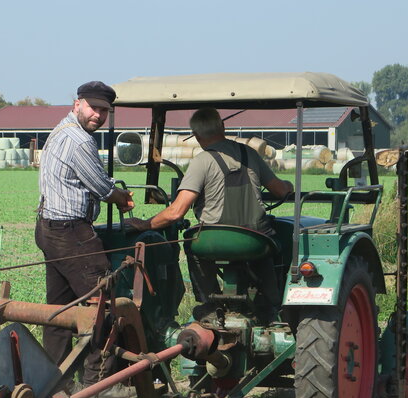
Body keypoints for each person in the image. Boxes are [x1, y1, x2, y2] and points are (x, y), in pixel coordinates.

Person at [124, 107, 293, 321]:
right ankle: (269, 302)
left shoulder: (202, 161)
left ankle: (210, 302)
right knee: (269, 244)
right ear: (222, 127)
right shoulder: (249, 153)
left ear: (196, 136)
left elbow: (176, 212)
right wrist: (289, 185)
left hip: (214, 240)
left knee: (192, 242)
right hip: (255, 239)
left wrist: (145, 224)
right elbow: (280, 190)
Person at [35, 80, 135, 387]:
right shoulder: (80, 141)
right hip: (72, 234)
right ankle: (98, 389)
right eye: (94, 108)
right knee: (105, 311)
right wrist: (123, 198)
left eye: (105, 111)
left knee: (60, 313)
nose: (99, 116)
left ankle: (53, 384)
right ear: (77, 103)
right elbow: (102, 188)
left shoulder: (60, 130)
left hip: (48, 228)